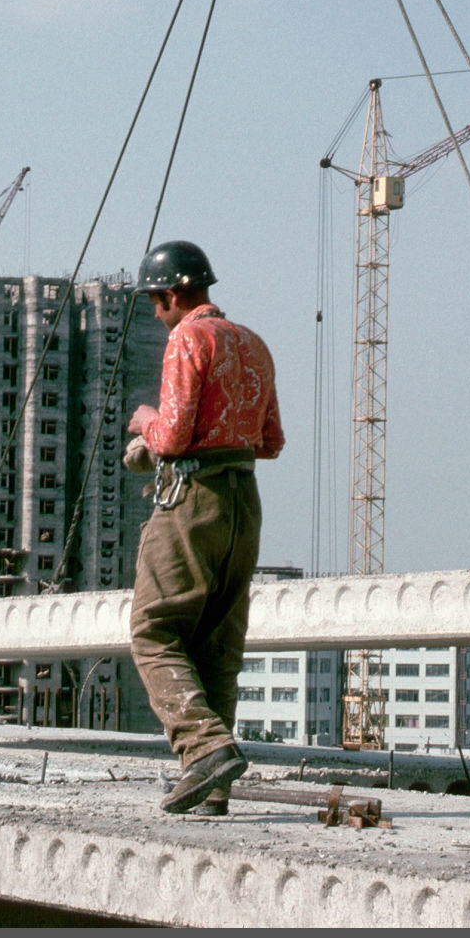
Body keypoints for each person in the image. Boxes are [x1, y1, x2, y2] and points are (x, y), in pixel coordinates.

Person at [124, 241, 283, 815]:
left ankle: (204, 747)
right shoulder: (254, 344)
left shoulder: (188, 338)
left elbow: (170, 436)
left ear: (171, 294)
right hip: (243, 502)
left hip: (194, 500)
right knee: (217, 643)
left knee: (154, 629)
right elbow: (271, 442)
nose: (154, 311)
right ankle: (215, 790)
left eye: (154, 301)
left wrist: (146, 424)